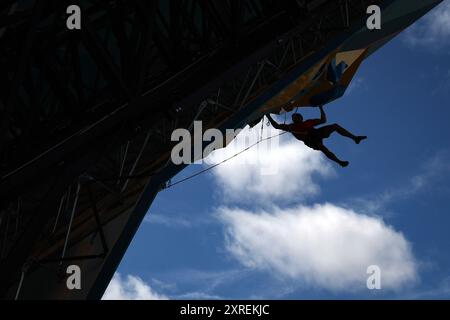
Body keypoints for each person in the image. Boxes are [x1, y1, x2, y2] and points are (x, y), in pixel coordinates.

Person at [266, 106, 367, 167]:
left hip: (317, 133)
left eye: (296, 117)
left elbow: (323, 120)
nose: (295, 118)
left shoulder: (308, 122)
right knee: (323, 148)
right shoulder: (291, 126)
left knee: (335, 126)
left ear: (301, 118)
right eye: (294, 117)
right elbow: (276, 126)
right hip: (310, 139)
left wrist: (321, 108)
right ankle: (339, 162)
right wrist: (268, 116)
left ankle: (355, 138)